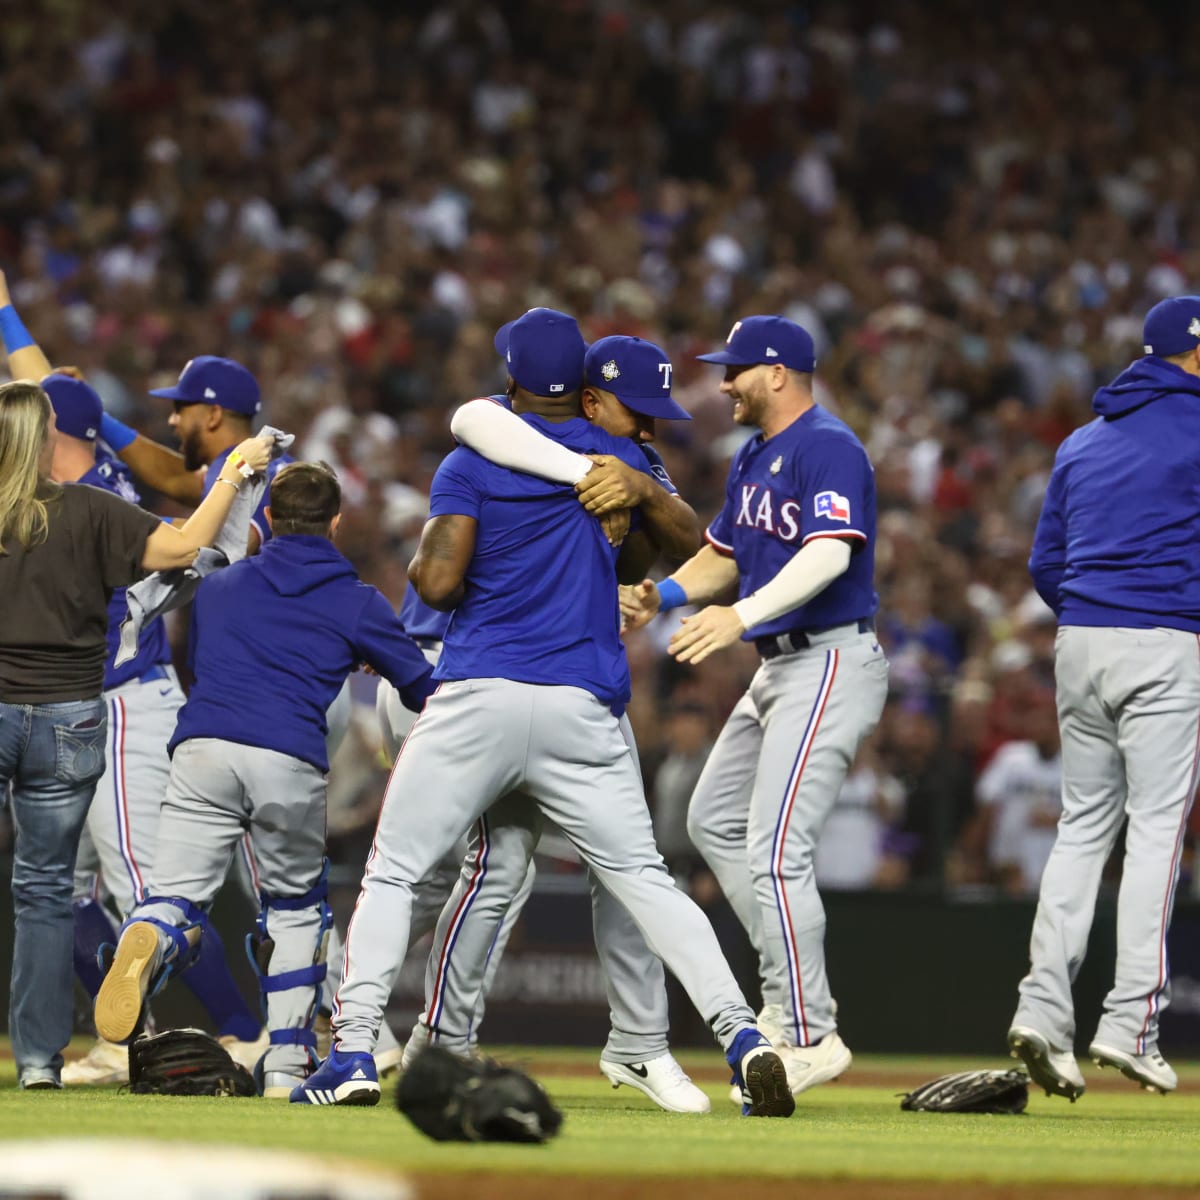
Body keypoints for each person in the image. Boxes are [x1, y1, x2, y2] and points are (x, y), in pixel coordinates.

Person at [298, 307, 793, 1116]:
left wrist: (434, 545)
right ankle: (741, 1038)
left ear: (516, 377)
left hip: (480, 694)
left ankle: (354, 1048)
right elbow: (682, 545)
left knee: (395, 871)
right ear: (591, 393)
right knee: (645, 881)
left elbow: (437, 583)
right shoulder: (626, 460)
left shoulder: (475, 458)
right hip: (581, 709)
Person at [394, 332, 712, 1113]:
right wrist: (591, 481)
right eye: (639, 413)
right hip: (449, 664)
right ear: (591, 398)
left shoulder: (628, 463)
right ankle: (399, 1032)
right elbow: (472, 421)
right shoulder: (508, 434)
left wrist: (637, 496)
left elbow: (666, 553)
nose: (649, 429)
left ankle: (424, 1037)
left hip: (529, 678)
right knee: (458, 872)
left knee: (482, 870)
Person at [93, 462, 436, 1098]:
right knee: (296, 910)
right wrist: (352, 647)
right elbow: (420, 685)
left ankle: (154, 933)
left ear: (270, 519)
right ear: (335, 523)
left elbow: (213, 658)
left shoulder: (220, 588)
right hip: (286, 758)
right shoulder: (355, 599)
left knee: (174, 895)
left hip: (201, 748)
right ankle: (284, 1067)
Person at [0, 284, 265, 1083]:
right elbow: (49, 393)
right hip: (81, 708)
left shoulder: (88, 500)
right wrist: (8, 317)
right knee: (67, 894)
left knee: (147, 891)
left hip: (120, 705)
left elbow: (188, 541)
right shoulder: (88, 490)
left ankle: (243, 1030)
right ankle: (126, 1041)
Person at [621, 315, 889, 1096]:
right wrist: (664, 594)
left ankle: (809, 1029)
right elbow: (725, 557)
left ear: (777, 374)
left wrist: (738, 617)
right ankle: (787, 1002)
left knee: (776, 850)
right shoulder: (757, 456)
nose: (724, 382)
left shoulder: (827, 444)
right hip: (778, 666)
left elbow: (831, 550)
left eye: (736, 370)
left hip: (830, 655)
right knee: (712, 821)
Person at [1006, 295, 1200, 1099]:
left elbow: (1044, 565)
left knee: (1083, 831)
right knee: (1156, 830)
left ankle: (1042, 1012)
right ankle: (1130, 1023)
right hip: (1163, 642)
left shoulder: (1083, 442)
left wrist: (1098, 608)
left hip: (1079, 640)